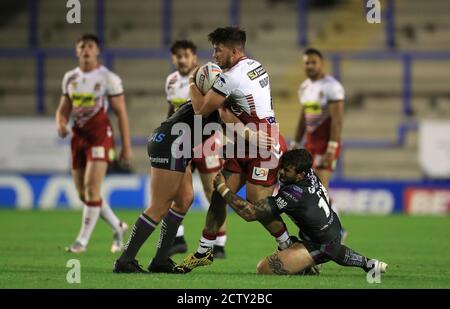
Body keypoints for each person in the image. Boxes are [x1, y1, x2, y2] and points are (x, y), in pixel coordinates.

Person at [176, 26, 290, 273]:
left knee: (257, 207)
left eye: (219, 49)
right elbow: (229, 112)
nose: (214, 55)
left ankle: (288, 247)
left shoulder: (232, 76)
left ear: (235, 50)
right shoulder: (255, 65)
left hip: (263, 144)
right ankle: (204, 251)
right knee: (218, 197)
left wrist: (193, 83)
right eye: (214, 49)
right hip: (248, 139)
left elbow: (201, 111)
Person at [212, 149, 388, 276]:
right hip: (330, 229)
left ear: (300, 175)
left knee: (264, 269)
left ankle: (305, 266)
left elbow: (249, 214)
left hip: (318, 244)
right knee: (333, 248)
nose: (281, 172)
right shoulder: (308, 173)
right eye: (283, 167)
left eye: (286, 171)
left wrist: (222, 188)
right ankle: (369, 264)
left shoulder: (293, 194)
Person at [56, 34, 131, 253]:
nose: (86, 50)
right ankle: (118, 226)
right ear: (77, 51)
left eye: (90, 46)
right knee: (84, 194)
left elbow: (121, 113)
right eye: (82, 46)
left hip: (100, 136)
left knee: (91, 188)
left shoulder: (109, 78)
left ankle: (82, 241)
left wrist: (125, 146)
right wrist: (60, 123)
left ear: (97, 51)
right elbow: (63, 109)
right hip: (78, 138)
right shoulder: (70, 78)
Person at [164, 40, 228, 257]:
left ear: (194, 57)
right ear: (173, 58)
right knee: (175, 190)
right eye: (178, 56)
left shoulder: (207, 76)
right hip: (181, 143)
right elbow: (172, 111)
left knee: (213, 192)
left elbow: (220, 109)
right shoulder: (171, 81)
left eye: (186, 55)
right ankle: (178, 238)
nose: (182, 59)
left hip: (207, 143)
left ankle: (219, 243)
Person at [290, 48, 347, 239]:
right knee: (315, 189)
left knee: (320, 188)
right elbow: (304, 117)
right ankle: (333, 229)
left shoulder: (332, 87)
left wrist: (332, 147)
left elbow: (337, 120)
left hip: (326, 145)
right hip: (310, 145)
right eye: (306, 62)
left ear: (321, 64)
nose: (310, 66)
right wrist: (296, 141)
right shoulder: (304, 87)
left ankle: (337, 230)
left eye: (313, 62)